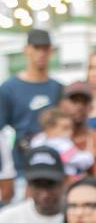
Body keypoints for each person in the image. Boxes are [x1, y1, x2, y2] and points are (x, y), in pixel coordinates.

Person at [0, 29, 63, 168]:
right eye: (36, 48)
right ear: (26, 49)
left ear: (51, 51)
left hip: (53, 162)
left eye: (45, 48)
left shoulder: (57, 88)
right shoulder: (9, 88)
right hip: (21, 162)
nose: (41, 54)